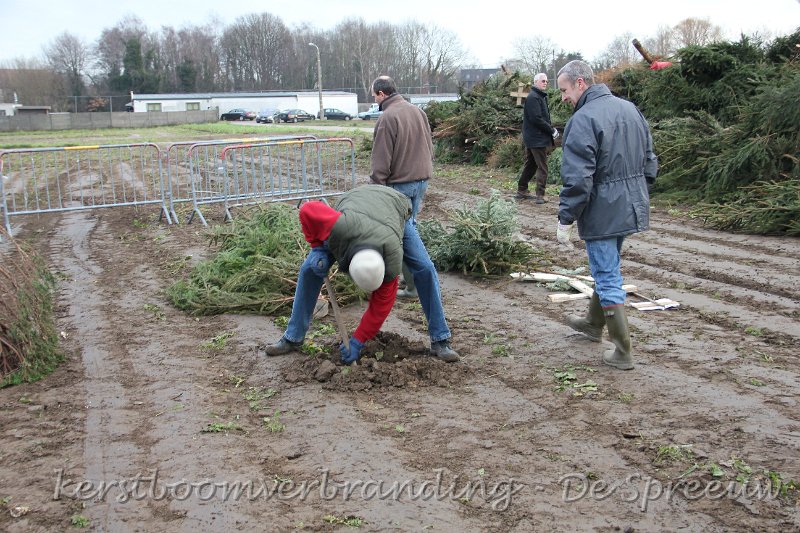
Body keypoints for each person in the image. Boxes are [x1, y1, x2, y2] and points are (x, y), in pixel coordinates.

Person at [263, 185, 458, 364]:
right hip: (355, 208)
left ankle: (440, 339)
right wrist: (317, 248)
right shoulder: (340, 228)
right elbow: (307, 209)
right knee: (309, 269)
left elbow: (380, 307)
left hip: (393, 208)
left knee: (425, 268)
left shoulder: (391, 261)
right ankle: (293, 337)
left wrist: (358, 340)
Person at [555, 60, 658, 371]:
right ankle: (592, 323)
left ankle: (622, 351)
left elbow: (578, 178)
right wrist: (637, 193)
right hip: (630, 205)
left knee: (607, 275)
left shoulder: (583, 119)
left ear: (580, 83)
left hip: (602, 211)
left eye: (564, 90)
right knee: (607, 267)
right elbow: (650, 160)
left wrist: (566, 217)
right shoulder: (630, 109)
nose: (563, 97)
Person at [368, 75, 460, 362]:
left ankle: (436, 332)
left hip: (398, 190)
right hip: (420, 183)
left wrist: (376, 192)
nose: (374, 100)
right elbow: (429, 147)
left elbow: (380, 163)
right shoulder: (418, 111)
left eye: (374, 96)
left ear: (381, 94)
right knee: (410, 236)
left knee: (403, 246)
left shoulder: (387, 119)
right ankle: (410, 286)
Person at [517, 72, 558, 204]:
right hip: (536, 138)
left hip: (533, 137)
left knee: (531, 164)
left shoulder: (538, 96)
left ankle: (522, 189)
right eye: (542, 81)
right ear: (535, 82)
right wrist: (551, 130)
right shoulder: (534, 97)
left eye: (546, 81)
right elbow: (536, 119)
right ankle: (540, 195)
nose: (545, 83)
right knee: (542, 166)